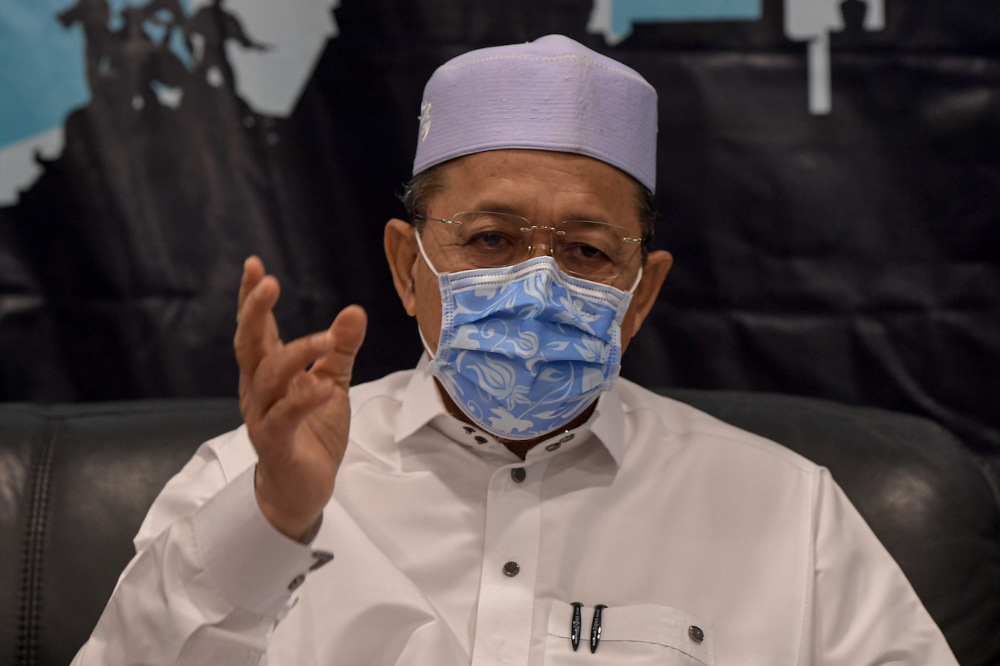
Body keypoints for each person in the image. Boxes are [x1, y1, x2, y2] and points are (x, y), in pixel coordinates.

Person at [72, 35, 958, 665]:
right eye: (491, 240)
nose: (538, 285)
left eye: (586, 251)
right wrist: (274, 519)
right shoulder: (244, 478)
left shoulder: (790, 513)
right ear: (407, 267)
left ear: (641, 294)